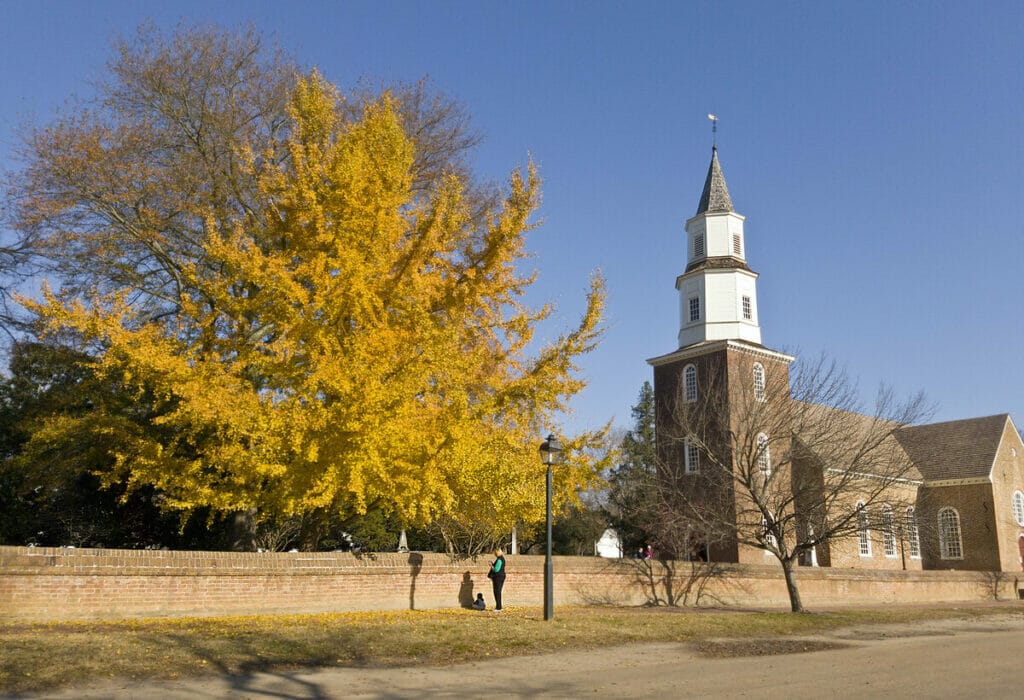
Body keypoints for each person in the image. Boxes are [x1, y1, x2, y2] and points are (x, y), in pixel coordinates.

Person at [487, 547, 506, 611]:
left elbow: (496, 569)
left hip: (498, 577)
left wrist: (491, 565)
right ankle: (499, 606)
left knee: (497, 592)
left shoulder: (499, 560)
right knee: (498, 592)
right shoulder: (501, 559)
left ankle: (498, 607)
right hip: (501, 576)